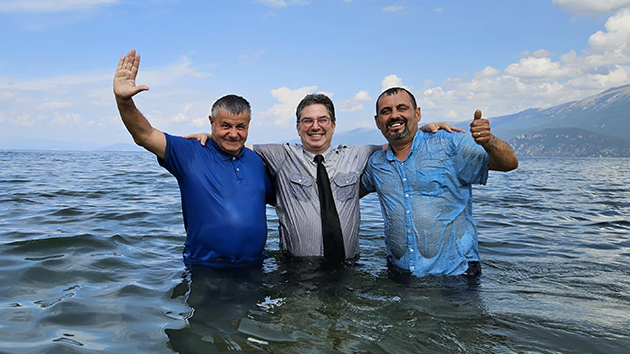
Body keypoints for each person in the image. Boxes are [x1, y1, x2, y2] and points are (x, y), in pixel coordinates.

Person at [189, 93, 461, 261]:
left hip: (349, 266)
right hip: (297, 271)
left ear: (333, 125)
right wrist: (207, 136)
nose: (315, 126)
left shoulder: (360, 153)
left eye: (322, 120)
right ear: (298, 128)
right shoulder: (279, 154)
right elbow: (234, 143)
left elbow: (397, 143)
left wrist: (424, 130)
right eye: (307, 120)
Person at [113, 49, 274, 266]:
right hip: (205, 268)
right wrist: (123, 101)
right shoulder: (191, 152)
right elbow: (145, 135)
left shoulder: (257, 161)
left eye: (241, 127)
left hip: (254, 267)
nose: (233, 133)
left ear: (249, 125)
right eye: (225, 125)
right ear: (212, 122)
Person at [361, 87, 518, 276]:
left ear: (417, 114)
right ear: (378, 122)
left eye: (402, 108)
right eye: (386, 111)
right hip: (400, 273)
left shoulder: (449, 143)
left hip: (456, 274)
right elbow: (347, 195)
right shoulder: (376, 164)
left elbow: (508, 163)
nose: (395, 115)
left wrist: (488, 140)